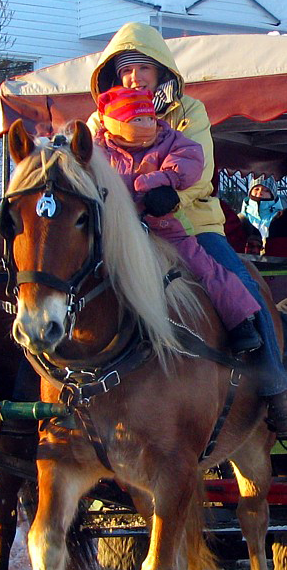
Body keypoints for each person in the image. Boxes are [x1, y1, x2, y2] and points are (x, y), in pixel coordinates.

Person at [87, 22, 287, 434]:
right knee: (66, 285)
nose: (134, 78)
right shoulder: (98, 120)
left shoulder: (189, 111)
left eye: (143, 69)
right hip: (121, 227)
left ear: (162, 71)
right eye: (125, 70)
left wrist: (165, 192)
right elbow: (87, 166)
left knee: (242, 283)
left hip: (189, 223)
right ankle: (40, 391)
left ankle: (274, 384)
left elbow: (200, 169)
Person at [93, 86, 261, 354]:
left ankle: (241, 320)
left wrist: (164, 182)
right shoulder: (99, 151)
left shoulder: (168, 138)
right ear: (115, 125)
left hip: (165, 226)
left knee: (204, 266)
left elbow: (191, 158)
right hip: (116, 230)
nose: (147, 124)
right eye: (137, 120)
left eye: (149, 118)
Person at [240, 177, 284, 243]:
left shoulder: (280, 219)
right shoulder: (242, 218)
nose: (260, 192)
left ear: (273, 194)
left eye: (266, 190)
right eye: (256, 189)